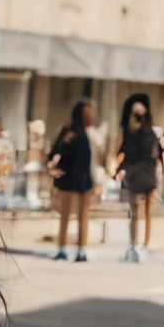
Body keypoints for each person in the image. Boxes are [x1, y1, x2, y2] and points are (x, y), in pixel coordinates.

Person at [112, 92, 163, 262]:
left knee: (147, 211)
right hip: (132, 175)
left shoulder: (149, 134)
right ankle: (134, 244)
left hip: (146, 174)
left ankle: (144, 246)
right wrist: (118, 169)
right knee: (134, 211)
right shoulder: (126, 134)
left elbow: (151, 157)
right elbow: (118, 153)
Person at [48, 99, 96, 260]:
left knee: (83, 216)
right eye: (88, 113)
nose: (91, 116)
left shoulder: (89, 133)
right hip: (68, 179)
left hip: (85, 180)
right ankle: (62, 248)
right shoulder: (69, 131)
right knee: (65, 215)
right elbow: (56, 150)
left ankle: (81, 249)